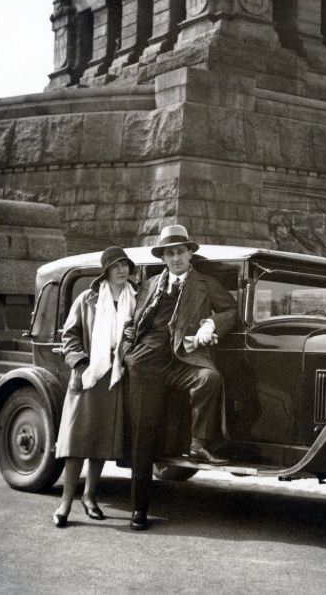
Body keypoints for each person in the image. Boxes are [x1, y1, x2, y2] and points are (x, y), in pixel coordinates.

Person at [122, 223, 236, 531]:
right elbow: (133, 321)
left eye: (180, 252)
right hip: (145, 364)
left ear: (189, 254)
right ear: (163, 258)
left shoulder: (205, 284)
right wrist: (128, 349)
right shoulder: (149, 285)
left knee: (209, 379)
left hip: (182, 359)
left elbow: (230, 309)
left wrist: (210, 325)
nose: (175, 258)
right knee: (144, 436)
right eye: (169, 254)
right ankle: (139, 509)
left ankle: (199, 444)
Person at [53, 246, 137, 527]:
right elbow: (70, 335)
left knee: (101, 443)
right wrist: (81, 364)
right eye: (116, 266)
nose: (122, 270)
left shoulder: (135, 300)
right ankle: (65, 502)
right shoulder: (87, 299)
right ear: (106, 272)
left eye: (125, 265)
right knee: (77, 443)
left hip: (114, 378)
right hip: (89, 377)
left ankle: (90, 497)